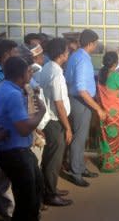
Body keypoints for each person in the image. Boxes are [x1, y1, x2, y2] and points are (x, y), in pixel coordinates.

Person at [0, 56, 46, 221]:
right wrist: (41, 112)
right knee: (27, 201)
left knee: (33, 191)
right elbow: (23, 129)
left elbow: (26, 114)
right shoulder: (12, 94)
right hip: (15, 152)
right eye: (29, 71)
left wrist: (30, 94)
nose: (31, 74)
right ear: (21, 75)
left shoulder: (5, 88)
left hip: (15, 151)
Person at [65, 29, 105, 187]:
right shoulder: (82, 59)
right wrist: (98, 109)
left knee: (80, 137)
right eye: (96, 43)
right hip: (81, 101)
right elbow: (82, 89)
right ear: (91, 43)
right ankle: (76, 172)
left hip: (77, 100)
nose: (96, 46)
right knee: (79, 138)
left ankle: (80, 167)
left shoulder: (76, 56)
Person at [39, 38, 73, 206]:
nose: (68, 53)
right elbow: (59, 104)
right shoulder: (57, 73)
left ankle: (50, 189)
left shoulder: (47, 68)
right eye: (67, 51)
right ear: (62, 54)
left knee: (50, 158)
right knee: (53, 160)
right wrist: (68, 128)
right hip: (55, 121)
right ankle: (51, 194)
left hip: (50, 119)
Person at [97, 51, 119, 172]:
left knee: (105, 136)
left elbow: (111, 80)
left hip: (104, 110)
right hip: (115, 113)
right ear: (116, 63)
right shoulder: (116, 76)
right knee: (115, 137)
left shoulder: (102, 73)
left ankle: (106, 161)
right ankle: (114, 163)